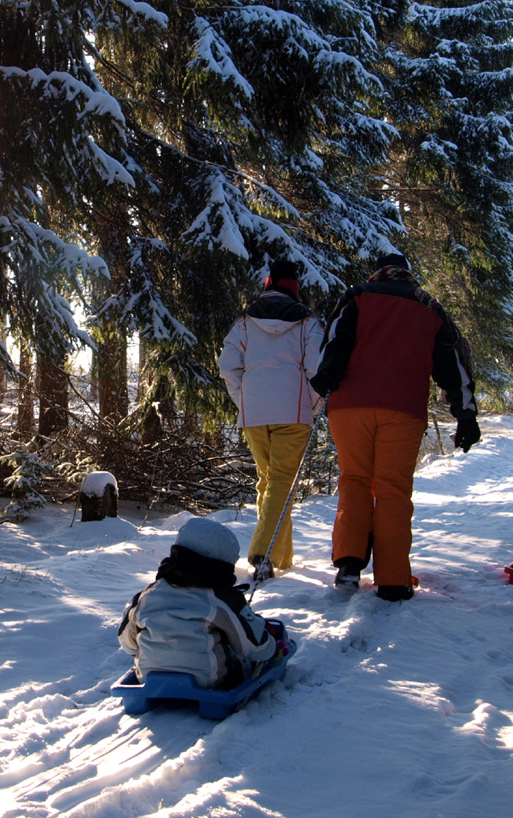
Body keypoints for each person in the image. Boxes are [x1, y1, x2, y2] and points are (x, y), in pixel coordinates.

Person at [308, 253, 480, 600]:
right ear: (408, 274)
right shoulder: (429, 308)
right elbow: (454, 363)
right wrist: (465, 415)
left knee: (354, 479)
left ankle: (349, 564)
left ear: (379, 273)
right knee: (392, 489)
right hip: (403, 408)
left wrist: (326, 374)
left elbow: (334, 340)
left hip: (351, 405)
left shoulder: (357, 296)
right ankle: (393, 579)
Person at [218, 259, 325, 580]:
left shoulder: (244, 323)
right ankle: (262, 553)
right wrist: (312, 406)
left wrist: (244, 400)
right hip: (293, 413)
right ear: (294, 288)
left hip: (254, 414)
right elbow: (317, 369)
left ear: (268, 285)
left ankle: (281, 556)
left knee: (269, 481)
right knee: (281, 482)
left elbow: (228, 366)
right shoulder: (307, 322)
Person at [118, 517, 286, 687]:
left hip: (148, 677)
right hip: (210, 680)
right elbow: (253, 645)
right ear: (223, 565)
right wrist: (273, 649)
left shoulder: (146, 596)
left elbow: (128, 643)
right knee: (239, 657)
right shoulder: (220, 599)